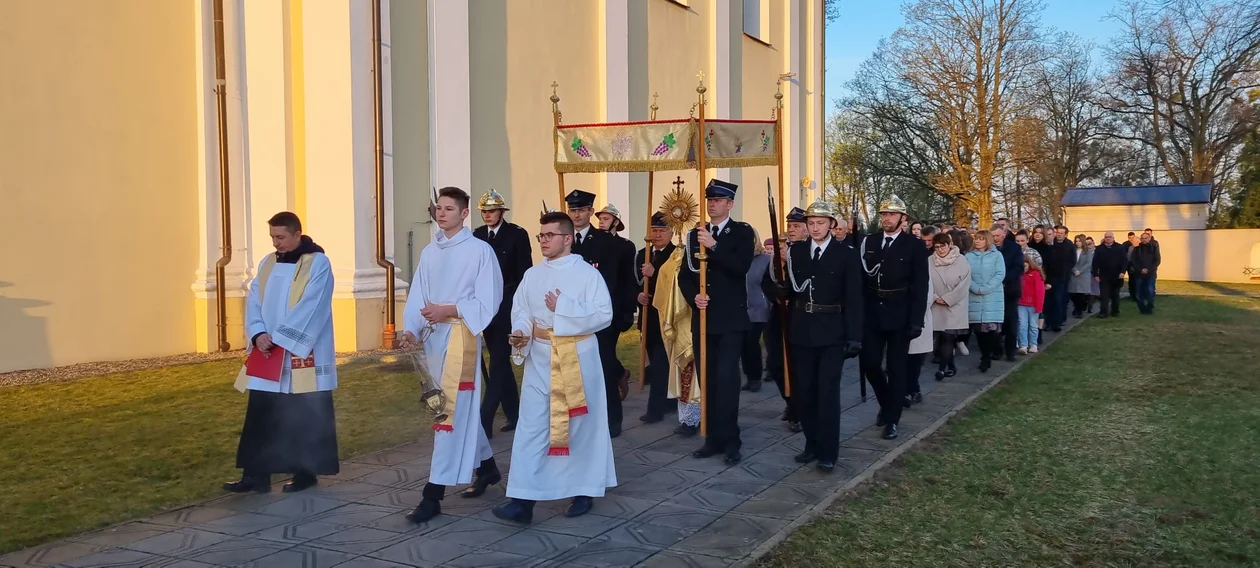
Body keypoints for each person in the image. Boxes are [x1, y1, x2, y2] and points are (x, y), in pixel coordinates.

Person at [492, 212, 617, 523]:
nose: (544, 241)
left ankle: (582, 490)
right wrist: (520, 332)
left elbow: (605, 314)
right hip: (541, 359)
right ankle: (522, 500)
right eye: (541, 236)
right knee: (532, 428)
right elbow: (521, 310)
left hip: (577, 356)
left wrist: (564, 308)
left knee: (578, 427)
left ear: (567, 238)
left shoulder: (587, 274)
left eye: (550, 235)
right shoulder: (533, 275)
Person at [400, 187, 504, 523]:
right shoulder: (431, 252)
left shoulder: (479, 251)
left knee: (447, 413)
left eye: (448, 208)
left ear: (464, 213)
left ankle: (433, 494)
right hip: (433, 339)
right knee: (457, 410)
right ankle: (487, 468)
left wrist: (450, 309)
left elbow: (490, 299)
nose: (441, 213)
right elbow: (419, 291)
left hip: (460, 338)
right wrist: (411, 328)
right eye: (438, 208)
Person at [226, 211, 339, 494]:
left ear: (297, 234)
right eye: (273, 238)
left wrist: (280, 338)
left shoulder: (318, 263)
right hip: (268, 351)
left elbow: (313, 305)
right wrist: (257, 333)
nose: (276, 243)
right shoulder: (267, 263)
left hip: (300, 352)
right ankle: (256, 476)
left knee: (304, 414)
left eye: (281, 237)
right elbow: (254, 300)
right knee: (261, 414)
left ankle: (305, 472)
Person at [767, 200, 862, 471]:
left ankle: (828, 451)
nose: (816, 227)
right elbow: (795, 286)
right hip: (802, 330)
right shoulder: (797, 252)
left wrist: (855, 335)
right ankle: (811, 443)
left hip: (833, 330)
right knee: (805, 392)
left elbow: (854, 297)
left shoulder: (846, 254)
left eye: (821, 222)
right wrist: (782, 290)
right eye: (811, 223)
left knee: (827, 392)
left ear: (832, 224)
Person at [678, 179, 756, 463]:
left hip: (732, 319)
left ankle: (731, 439)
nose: (712, 204)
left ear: (730, 204)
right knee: (707, 379)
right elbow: (685, 275)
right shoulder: (693, 235)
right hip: (704, 319)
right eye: (710, 199)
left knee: (727, 379)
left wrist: (715, 245)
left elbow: (740, 267)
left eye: (719, 200)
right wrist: (693, 298)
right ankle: (712, 438)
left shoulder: (741, 232)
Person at [858, 195, 929, 440]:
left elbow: (921, 285)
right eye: (883, 214)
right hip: (873, 311)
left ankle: (892, 419)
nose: (886, 218)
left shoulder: (914, 245)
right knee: (869, 363)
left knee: (897, 369)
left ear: (903, 218)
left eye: (891, 214)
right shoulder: (869, 242)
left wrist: (916, 320)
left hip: (900, 312)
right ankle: (888, 402)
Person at [567, 190, 635, 438]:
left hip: (601, 318)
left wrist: (626, 312)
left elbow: (622, 281)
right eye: (573, 210)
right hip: (571, 316)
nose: (577, 214)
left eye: (582, 210)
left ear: (590, 212)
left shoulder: (608, 242)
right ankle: (581, 417)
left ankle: (612, 419)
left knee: (605, 367)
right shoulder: (563, 239)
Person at [473, 189, 532, 438]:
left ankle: (485, 419)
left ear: (502, 212)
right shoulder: (476, 236)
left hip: (507, 304)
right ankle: (515, 413)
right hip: (484, 305)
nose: (487, 215)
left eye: (492, 211)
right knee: (499, 362)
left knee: (497, 361)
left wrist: (518, 308)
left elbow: (523, 274)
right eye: (484, 211)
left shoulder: (517, 235)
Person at [765, 207, 806, 433]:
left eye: (797, 226)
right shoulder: (779, 254)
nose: (792, 230)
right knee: (776, 364)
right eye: (790, 226)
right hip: (779, 315)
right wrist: (777, 295)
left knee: (797, 365)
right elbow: (767, 283)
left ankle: (798, 411)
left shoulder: (807, 252)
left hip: (800, 315)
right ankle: (790, 401)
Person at [634, 212, 677, 423]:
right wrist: (638, 295)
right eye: (654, 230)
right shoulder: (643, 254)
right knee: (657, 361)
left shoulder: (677, 254)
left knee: (661, 363)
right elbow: (635, 282)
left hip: (668, 317)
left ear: (671, 232)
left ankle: (655, 409)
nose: (657, 234)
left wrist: (656, 271)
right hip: (648, 317)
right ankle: (670, 400)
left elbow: (676, 283)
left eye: (662, 230)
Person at [929, 232, 970, 380]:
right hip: (936, 304)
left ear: (949, 245)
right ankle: (951, 366)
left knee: (948, 336)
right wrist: (934, 297)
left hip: (955, 305)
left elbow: (964, 284)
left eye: (943, 246)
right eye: (937, 247)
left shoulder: (961, 261)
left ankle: (941, 369)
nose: (940, 250)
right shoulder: (929, 261)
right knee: (940, 337)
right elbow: (925, 282)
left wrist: (948, 298)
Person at [965, 230, 1006, 372]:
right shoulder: (968, 256)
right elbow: (965, 274)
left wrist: (987, 288)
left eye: (981, 239)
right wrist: (975, 288)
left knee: (991, 332)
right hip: (974, 296)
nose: (977, 241)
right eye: (976, 239)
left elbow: (1000, 273)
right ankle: (984, 356)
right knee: (979, 331)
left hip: (992, 297)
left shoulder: (997, 255)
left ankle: (989, 354)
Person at [905, 226, 937, 405]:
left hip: (918, 317)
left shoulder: (923, 268)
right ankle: (904, 389)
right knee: (902, 358)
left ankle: (913, 388)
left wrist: (916, 314)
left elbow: (927, 293)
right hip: (900, 318)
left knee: (915, 358)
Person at [742, 230, 772, 393]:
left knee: (751, 341)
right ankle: (749, 375)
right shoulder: (739, 259)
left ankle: (755, 377)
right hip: (741, 307)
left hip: (759, 307)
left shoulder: (766, 260)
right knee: (742, 344)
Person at [992, 225, 1023, 362]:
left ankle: (1010, 351)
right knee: (994, 324)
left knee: (1011, 323)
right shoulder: (988, 249)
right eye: (992, 236)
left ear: (1004, 235)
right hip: (991, 291)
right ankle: (996, 350)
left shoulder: (1014, 248)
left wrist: (1002, 278)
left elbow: (1018, 267)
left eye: (997, 236)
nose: (995, 239)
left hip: (1009, 290)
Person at [1044, 225, 1075, 332]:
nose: (1059, 235)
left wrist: (1066, 271)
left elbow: (1072, 260)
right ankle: (1048, 322)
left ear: (1065, 234)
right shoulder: (1051, 245)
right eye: (1058, 232)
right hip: (1049, 277)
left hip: (1061, 277)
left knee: (1059, 299)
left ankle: (1058, 321)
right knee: (1048, 301)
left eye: (1061, 233)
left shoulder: (1069, 245)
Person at [1091, 231, 1127, 318]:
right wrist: (1095, 274)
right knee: (1104, 295)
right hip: (1104, 276)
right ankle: (1103, 313)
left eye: (1110, 237)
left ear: (1113, 238)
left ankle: (1115, 311)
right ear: (1104, 238)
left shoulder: (1120, 247)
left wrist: (1122, 272)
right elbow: (1095, 263)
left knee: (1115, 295)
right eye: (1106, 237)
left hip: (1117, 276)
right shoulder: (1099, 249)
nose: (1108, 238)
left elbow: (1124, 261)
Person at [1016, 255, 1046, 354]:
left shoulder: (1036, 274)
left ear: (1029, 264)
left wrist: (1039, 306)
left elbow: (1040, 291)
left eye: (1025, 266)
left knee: (1033, 325)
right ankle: (1023, 345)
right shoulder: (1019, 275)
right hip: (1021, 303)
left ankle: (1033, 344)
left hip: (1033, 304)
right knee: (1022, 324)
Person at [1131, 232, 1161, 314]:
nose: (1144, 240)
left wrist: (1149, 269)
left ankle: (1150, 307)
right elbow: (1134, 261)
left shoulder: (1154, 248)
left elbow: (1157, 260)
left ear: (1149, 238)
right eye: (1142, 238)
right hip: (1139, 274)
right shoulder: (1136, 249)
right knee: (1139, 293)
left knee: (1150, 291)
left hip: (1151, 274)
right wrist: (1140, 269)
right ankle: (1142, 309)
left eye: (1146, 238)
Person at [1068, 234, 1094, 319]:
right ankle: (1077, 307)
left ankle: (1079, 311)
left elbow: (1089, 263)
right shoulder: (1072, 251)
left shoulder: (1087, 251)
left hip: (1084, 274)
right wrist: (1074, 270)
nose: (1078, 243)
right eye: (1076, 241)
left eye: (1079, 241)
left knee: (1081, 294)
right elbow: (1070, 261)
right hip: (1073, 273)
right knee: (1073, 293)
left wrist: (1080, 271)